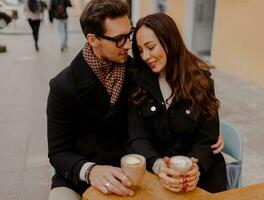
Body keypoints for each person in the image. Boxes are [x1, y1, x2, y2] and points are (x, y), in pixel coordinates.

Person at [47, 1, 224, 199]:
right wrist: (90, 171)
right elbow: (57, 153)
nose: (127, 45)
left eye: (128, 34)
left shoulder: (138, 73)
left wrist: (210, 135)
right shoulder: (62, 86)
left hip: (130, 169)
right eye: (119, 39)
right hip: (80, 174)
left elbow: (173, 107)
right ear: (93, 39)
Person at [127, 12, 227, 193]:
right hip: (158, 175)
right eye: (140, 50)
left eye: (151, 47)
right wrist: (158, 166)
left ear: (169, 41)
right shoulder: (138, 82)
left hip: (203, 177)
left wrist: (195, 168)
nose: (145, 56)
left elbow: (207, 140)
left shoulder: (201, 81)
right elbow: (137, 136)